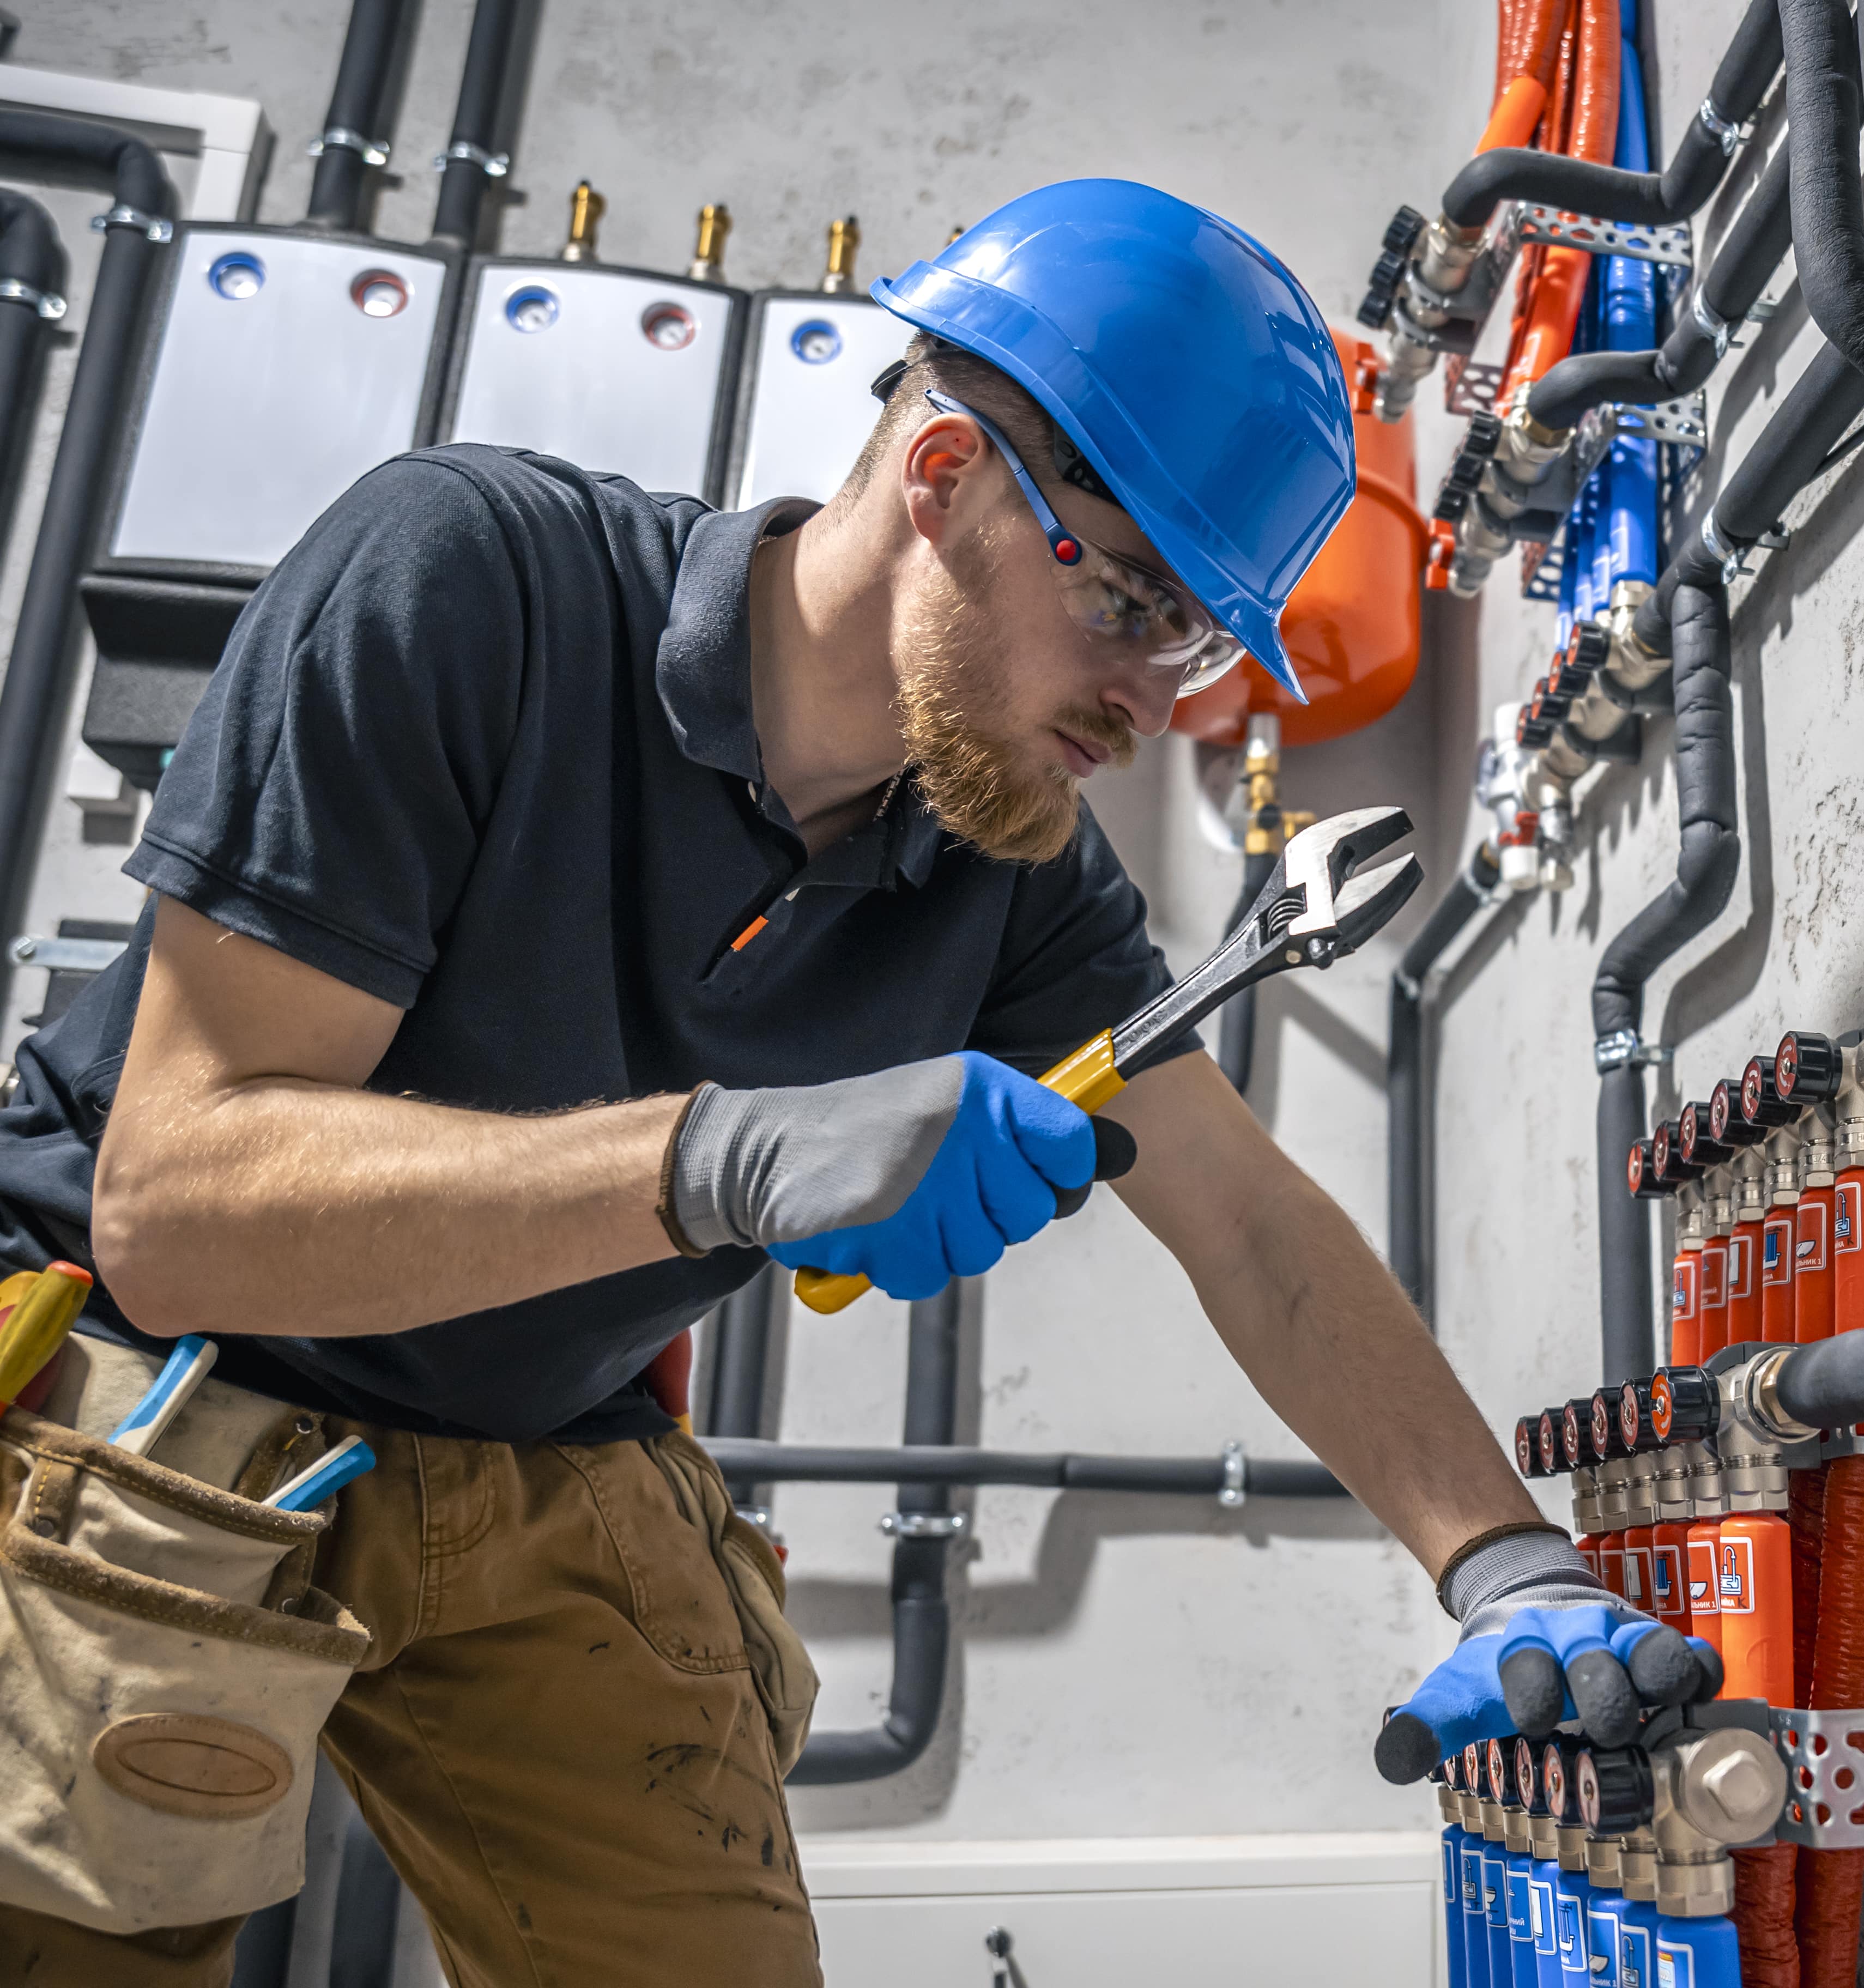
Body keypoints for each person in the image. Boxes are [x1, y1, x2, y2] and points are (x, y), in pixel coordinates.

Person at [0, 180, 1699, 1985]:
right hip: (152, 1386)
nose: (1156, 698)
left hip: (540, 1444)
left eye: (1198, 642)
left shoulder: (1008, 864)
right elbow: (178, 1211)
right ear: (949, 475)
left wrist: (1505, 1563)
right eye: (1132, 602)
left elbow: (1254, 1225)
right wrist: (723, 1161)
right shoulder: (472, 581)